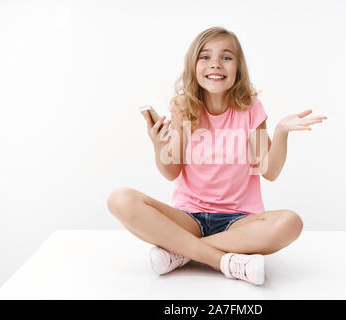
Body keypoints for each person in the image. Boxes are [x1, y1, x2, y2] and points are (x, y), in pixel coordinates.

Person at [107, 26, 327, 285]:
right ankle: (223, 260)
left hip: (240, 222)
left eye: (226, 57)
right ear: (194, 65)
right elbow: (171, 172)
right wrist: (158, 145)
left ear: (238, 67)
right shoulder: (182, 106)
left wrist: (280, 132)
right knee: (119, 199)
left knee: (291, 223)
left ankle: (181, 251)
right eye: (205, 57)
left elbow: (269, 171)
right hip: (189, 217)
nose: (216, 64)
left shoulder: (250, 108)